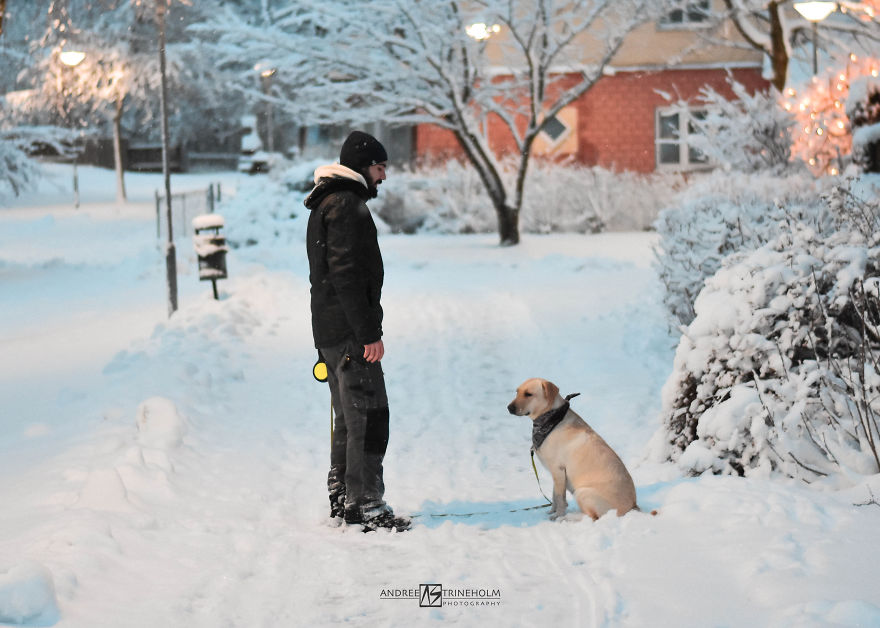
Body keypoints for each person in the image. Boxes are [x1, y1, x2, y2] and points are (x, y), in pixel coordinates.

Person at [304, 130, 411, 532]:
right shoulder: (346, 206)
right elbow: (346, 276)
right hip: (350, 333)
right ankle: (366, 504)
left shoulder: (327, 202)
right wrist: (368, 334)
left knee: (348, 419)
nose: (383, 176)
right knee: (368, 416)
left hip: (331, 331)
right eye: (380, 167)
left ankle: (344, 496)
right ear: (363, 167)